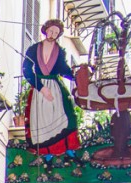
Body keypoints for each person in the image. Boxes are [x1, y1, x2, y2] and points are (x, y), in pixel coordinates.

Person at [22, 19, 81, 162]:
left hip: (55, 87)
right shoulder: (33, 49)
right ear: (46, 30)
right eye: (51, 31)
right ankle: (46, 152)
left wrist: (76, 76)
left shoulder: (59, 51)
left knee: (64, 117)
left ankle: (67, 149)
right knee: (42, 121)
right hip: (39, 87)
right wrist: (41, 88)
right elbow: (27, 69)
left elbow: (63, 69)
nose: (52, 34)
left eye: (56, 33)